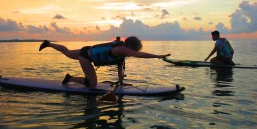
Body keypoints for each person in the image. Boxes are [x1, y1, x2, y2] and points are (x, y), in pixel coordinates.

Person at [39, 36, 171, 88]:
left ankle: (48, 44)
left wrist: (121, 82)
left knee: (67, 52)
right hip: (86, 57)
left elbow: (120, 70)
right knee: (92, 85)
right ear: (131, 47)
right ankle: (70, 78)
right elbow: (139, 55)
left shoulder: (121, 55)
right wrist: (158, 56)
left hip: (87, 51)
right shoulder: (120, 49)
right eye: (134, 50)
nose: (133, 53)